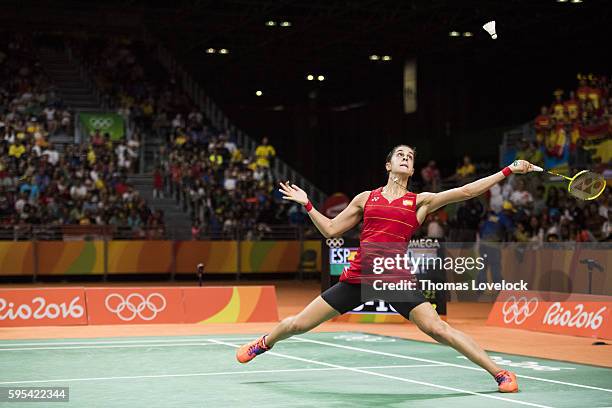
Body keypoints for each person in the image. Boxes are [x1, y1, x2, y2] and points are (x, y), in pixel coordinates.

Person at [236, 146, 535, 393]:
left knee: (437, 328)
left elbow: (467, 191)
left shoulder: (419, 202)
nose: (406, 158)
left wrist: (507, 170)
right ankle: (264, 343)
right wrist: (308, 204)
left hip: (394, 278)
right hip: (357, 278)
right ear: (388, 165)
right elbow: (330, 230)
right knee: (300, 323)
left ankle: (499, 373)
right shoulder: (366, 198)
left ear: (412, 169)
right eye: (401, 155)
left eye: (410, 157)